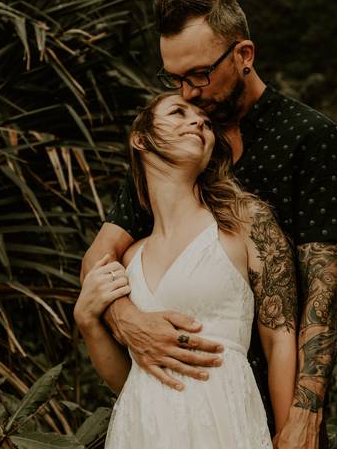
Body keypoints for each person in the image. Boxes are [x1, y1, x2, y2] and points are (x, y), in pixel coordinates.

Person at [81, 0, 337, 448]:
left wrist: (303, 416)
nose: (188, 95)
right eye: (173, 81)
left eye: (198, 75)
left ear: (244, 55)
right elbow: (100, 257)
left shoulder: (309, 138)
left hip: (256, 402)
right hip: (163, 407)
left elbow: (324, 291)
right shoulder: (175, 152)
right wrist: (125, 318)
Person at [74, 92, 297, 447]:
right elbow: (130, 379)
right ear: (140, 139)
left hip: (223, 422)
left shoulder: (245, 224)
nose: (198, 123)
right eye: (178, 113)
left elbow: (280, 338)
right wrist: (88, 324)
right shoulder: (129, 258)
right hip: (142, 430)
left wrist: (290, 433)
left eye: (206, 123)